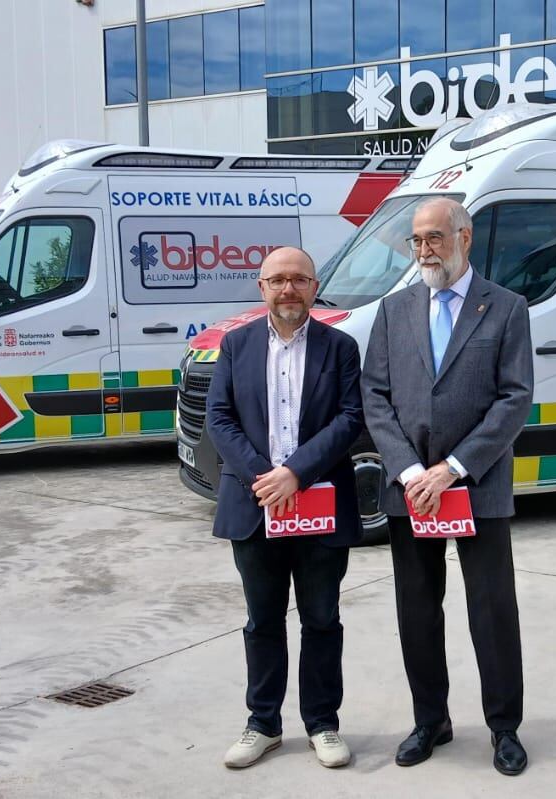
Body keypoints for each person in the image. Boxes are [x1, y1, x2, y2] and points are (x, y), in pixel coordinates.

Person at [361, 197, 534, 776]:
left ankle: (504, 727)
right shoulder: (393, 310)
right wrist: (413, 472)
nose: (424, 250)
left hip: (475, 484)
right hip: (412, 489)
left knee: (491, 609)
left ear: (464, 237)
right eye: (417, 240)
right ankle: (430, 720)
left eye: (434, 237)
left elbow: (515, 398)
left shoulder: (506, 307)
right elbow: (375, 397)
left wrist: (453, 468)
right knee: (417, 609)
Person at [206, 247, 365, 770]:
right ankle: (263, 725)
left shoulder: (340, 347)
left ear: (314, 287)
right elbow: (219, 417)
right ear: (262, 288)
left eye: (298, 279)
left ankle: (322, 723)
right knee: (262, 622)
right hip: (256, 507)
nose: (288, 289)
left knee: (322, 619)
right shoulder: (236, 345)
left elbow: (350, 418)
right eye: (277, 280)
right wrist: (265, 478)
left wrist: (296, 472)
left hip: (319, 504)